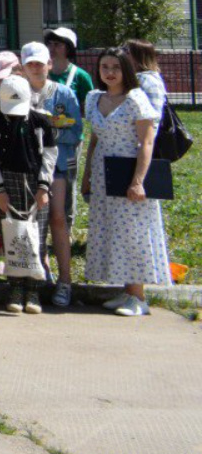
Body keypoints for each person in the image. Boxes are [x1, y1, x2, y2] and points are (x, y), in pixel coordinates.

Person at [82, 47, 171, 317]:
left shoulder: (136, 98)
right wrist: (86, 175)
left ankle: (138, 295)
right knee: (111, 229)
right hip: (102, 170)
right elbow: (95, 138)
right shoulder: (93, 98)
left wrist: (138, 181)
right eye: (104, 67)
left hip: (128, 168)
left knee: (133, 232)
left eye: (116, 67)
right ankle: (126, 289)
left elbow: (146, 141)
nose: (109, 72)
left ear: (126, 70)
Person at [0, 75, 56, 314]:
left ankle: (33, 290)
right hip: (6, 180)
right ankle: (14, 287)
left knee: (37, 235)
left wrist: (44, 187)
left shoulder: (41, 122)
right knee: (10, 234)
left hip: (35, 183)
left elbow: (50, 156)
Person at [19, 42, 82, 306]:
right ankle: (36, 275)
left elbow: (76, 130)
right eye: (30, 63)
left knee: (57, 218)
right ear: (23, 67)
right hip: (25, 167)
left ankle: (65, 281)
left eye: (40, 63)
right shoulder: (17, 92)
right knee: (31, 222)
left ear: (50, 65)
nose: (36, 68)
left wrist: (46, 132)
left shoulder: (63, 93)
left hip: (56, 167)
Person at [45, 28, 93, 108]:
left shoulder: (81, 76)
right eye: (49, 44)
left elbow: (89, 108)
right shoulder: (40, 72)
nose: (51, 48)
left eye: (57, 44)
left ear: (69, 48)